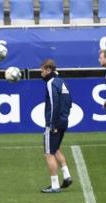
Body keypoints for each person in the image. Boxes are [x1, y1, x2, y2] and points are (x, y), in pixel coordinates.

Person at [39, 59, 73, 194]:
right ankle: (67, 175)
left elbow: (54, 104)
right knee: (56, 149)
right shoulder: (62, 82)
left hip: (54, 122)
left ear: (48, 70)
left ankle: (54, 185)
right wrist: (65, 117)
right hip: (64, 121)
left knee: (49, 153)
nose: (41, 74)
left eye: (42, 71)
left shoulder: (51, 83)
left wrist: (52, 124)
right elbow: (70, 101)